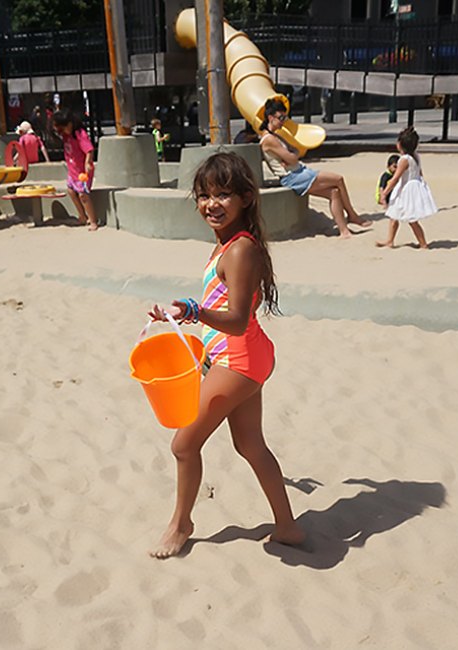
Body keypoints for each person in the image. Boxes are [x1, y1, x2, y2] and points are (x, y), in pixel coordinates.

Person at [147, 152, 306, 559]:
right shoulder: (228, 245)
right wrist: (185, 310)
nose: (210, 204)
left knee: (183, 445)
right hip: (238, 357)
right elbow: (225, 305)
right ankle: (287, 527)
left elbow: (236, 319)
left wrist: (197, 312)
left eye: (222, 195)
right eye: (203, 195)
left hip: (239, 358)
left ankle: (182, 524)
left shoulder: (239, 250)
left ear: (247, 197)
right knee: (250, 445)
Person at [259, 97, 370, 238]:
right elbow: (293, 156)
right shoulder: (269, 139)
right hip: (292, 177)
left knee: (334, 192)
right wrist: (291, 156)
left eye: (285, 117)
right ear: (270, 117)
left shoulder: (276, 136)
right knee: (338, 179)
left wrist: (291, 156)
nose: (283, 121)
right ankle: (353, 215)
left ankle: (344, 231)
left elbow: (296, 151)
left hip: (298, 172)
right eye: (281, 117)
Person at [377, 127, 437, 250]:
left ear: (400, 145)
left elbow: (395, 179)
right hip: (413, 186)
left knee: (411, 219)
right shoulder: (416, 156)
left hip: (406, 189)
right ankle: (390, 240)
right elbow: (420, 173)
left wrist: (385, 193)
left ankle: (423, 243)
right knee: (394, 215)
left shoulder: (404, 160)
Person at [52, 109, 98, 231]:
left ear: (70, 123)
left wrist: (88, 162)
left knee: (83, 195)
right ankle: (82, 216)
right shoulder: (66, 135)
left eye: (64, 127)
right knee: (71, 191)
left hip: (82, 171)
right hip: (73, 171)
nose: (64, 131)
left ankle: (93, 220)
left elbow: (89, 149)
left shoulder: (79, 133)